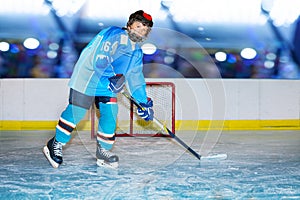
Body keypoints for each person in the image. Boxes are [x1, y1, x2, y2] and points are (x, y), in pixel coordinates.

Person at [43, 10, 154, 169]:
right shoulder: (114, 34)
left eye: (144, 30)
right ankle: (55, 143)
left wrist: (144, 102)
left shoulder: (136, 52)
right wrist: (112, 77)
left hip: (107, 84)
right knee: (77, 111)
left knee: (110, 114)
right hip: (87, 77)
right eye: (138, 26)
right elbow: (101, 57)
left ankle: (103, 151)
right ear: (129, 25)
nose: (140, 32)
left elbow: (135, 78)